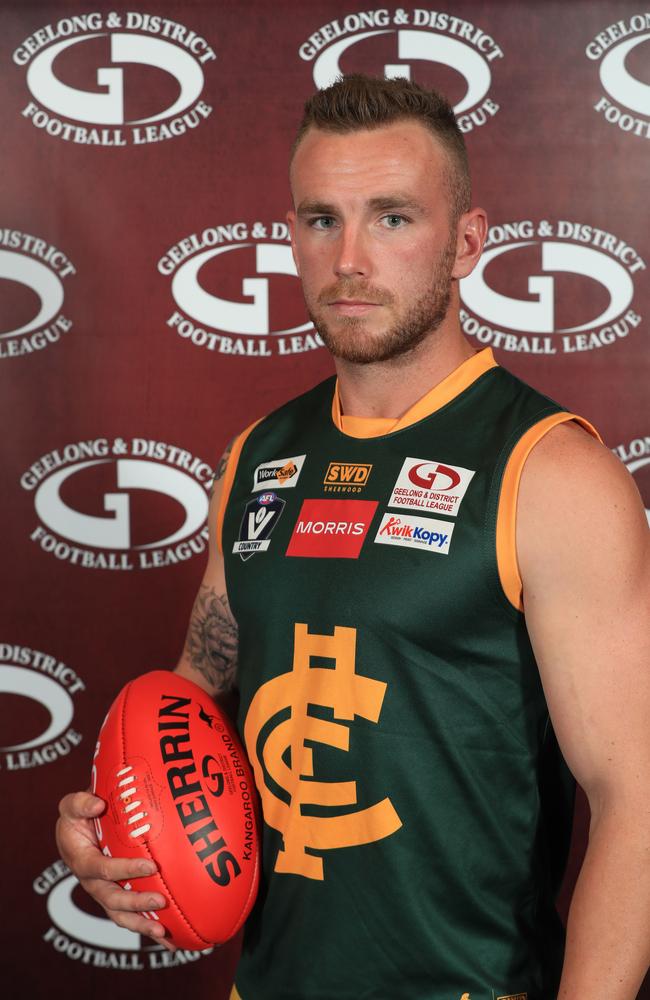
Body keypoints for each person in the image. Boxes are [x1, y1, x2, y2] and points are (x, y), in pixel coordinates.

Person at [57, 75, 650, 1000]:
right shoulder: (258, 459)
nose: (350, 259)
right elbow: (193, 689)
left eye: (394, 218)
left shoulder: (550, 471)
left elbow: (638, 806)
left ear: (467, 242)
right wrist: (112, 817)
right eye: (321, 220)